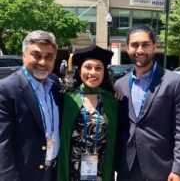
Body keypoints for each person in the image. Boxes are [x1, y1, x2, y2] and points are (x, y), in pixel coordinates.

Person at [115, 25, 180, 181]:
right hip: (127, 168)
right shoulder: (120, 84)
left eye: (145, 44)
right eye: (135, 45)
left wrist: (179, 169)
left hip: (162, 168)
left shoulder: (175, 82)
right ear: (128, 48)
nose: (140, 50)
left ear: (155, 47)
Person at [0, 30, 62, 181]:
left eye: (49, 57)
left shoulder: (54, 85)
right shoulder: (7, 89)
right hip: (24, 175)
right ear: (23, 56)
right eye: (37, 55)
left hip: (53, 171)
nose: (43, 62)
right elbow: (2, 145)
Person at [57, 45, 118, 181]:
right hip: (72, 169)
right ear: (79, 72)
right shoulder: (68, 98)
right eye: (88, 67)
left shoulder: (112, 100)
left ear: (104, 73)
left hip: (101, 170)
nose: (93, 72)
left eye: (98, 68)